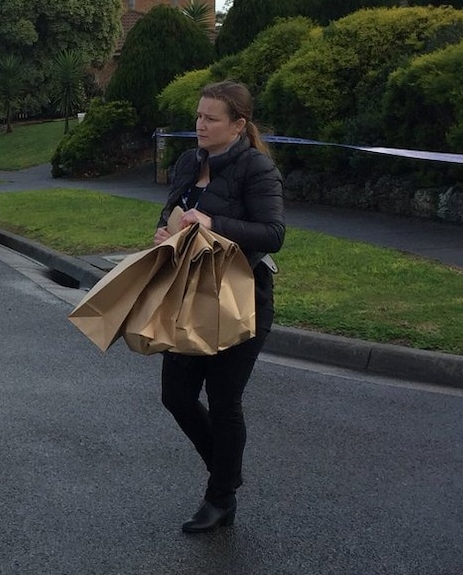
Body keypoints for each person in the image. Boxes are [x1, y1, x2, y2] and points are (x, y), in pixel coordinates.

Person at [153, 81, 285, 533]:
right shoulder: (189, 161)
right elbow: (173, 208)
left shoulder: (257, 169)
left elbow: (272, 234)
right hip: (188, 298)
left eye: (211, 118)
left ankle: (220, 497)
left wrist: (213, 221)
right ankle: (227, 472)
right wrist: (162, 232)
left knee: (225, 401)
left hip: (240, 301)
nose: (200, 125)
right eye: (198, 116)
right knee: (176, 396)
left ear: (238, 125)